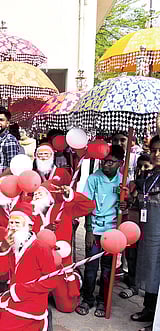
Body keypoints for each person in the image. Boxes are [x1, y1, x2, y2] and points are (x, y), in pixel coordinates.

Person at [0, 202, 58, 331]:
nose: (13, 227)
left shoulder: (41, 247)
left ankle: (42, 322)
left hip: (31, 301)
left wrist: (22, 290)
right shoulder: (11, 245)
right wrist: (3, 248)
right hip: (12, 296)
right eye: (11, 223)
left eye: (17, 223)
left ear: (29, 226)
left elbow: (52, 280)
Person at [76, 145, 127, 318]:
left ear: (120, 163)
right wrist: (89, 230)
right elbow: (87, 206)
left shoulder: (123, 180)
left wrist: (124, 204)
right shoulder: (93, 178)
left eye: (110, 163)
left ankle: (103, 301)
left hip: (112, 231)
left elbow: (125, 208)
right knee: (91, 267)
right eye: (104, 162)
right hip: (95, 229)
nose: (105, 165)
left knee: (107, 270)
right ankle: (87, 299)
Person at [31, 182, 95, 313]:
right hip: (37, 266)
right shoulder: (30, 211)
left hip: (60, 266)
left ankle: (75, 277)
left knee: (67, 307)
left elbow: (89, 206)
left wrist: (71, 195)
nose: (36, 195)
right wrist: (43, 232)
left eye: (40, 192)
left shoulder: (65, 208)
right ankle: (48, 292)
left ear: (49, 196)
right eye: (35, 193)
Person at [131, 136, 160, 329]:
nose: (156, 154)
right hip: (149, 232)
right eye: (153, 150)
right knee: (150, 269)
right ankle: (149, 309)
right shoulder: (151, 176)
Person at [120, 153, 153, 300]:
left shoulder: (154, 186)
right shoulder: (133, 184)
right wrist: (128, 200)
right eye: (140, 166)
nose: (142, 169)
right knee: (131, 256)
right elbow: (130, 203)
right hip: (133, 224)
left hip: (150, 228)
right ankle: (132, 284)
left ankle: (145, 287)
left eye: (146, 166)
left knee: (146, 258)